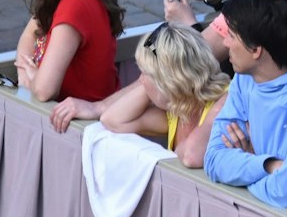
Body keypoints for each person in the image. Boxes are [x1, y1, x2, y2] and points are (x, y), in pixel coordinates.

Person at [202, 0, 287, 210]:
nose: (225, 43)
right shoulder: (245, 78)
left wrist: (246, 166)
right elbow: (212, 160)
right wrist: (268, 164)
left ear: (256, 50)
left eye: (231, 35)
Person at [81, 25, 227, 168]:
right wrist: (157, 80)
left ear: (169, 81)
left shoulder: (225, 103)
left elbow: (191, 155)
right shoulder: (178, 112)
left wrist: (162, 79)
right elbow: (111, 120)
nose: (141, 80)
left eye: (145, 73)